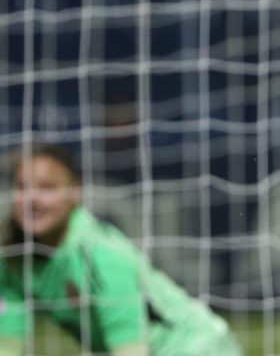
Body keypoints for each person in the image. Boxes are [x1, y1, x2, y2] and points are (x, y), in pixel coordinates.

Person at [0, 143, 241, 356]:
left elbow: (131, 350)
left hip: (194, 348)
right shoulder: (13, 257)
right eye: (23, 187)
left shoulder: (98, 254)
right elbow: (7, 345)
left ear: (74, 193)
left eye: (47, 188)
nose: (32, 199)